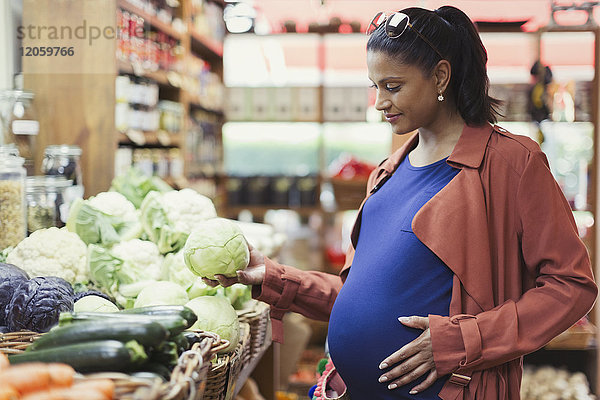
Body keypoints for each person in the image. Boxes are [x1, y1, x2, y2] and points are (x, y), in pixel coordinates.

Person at [205, 5, 597, 399]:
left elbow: (572, 286)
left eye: (393, 87)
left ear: (441, 76)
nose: (379, 103)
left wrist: (462, 340)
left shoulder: (511, 164)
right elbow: (361, 296)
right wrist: (275, 279)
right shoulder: (387, 173)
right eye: (374, 86)